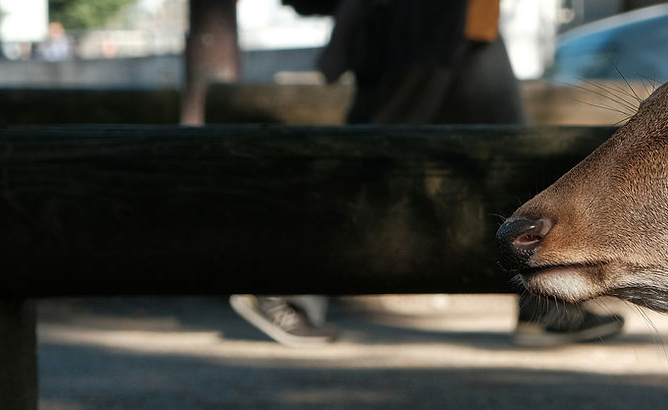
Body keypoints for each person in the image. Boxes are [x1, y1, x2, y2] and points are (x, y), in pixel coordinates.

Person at [233, 0, 624, 348]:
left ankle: (543, 309)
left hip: (474, 20)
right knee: (372, 158)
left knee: (511, 158)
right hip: (417, 20)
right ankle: (280, 287)